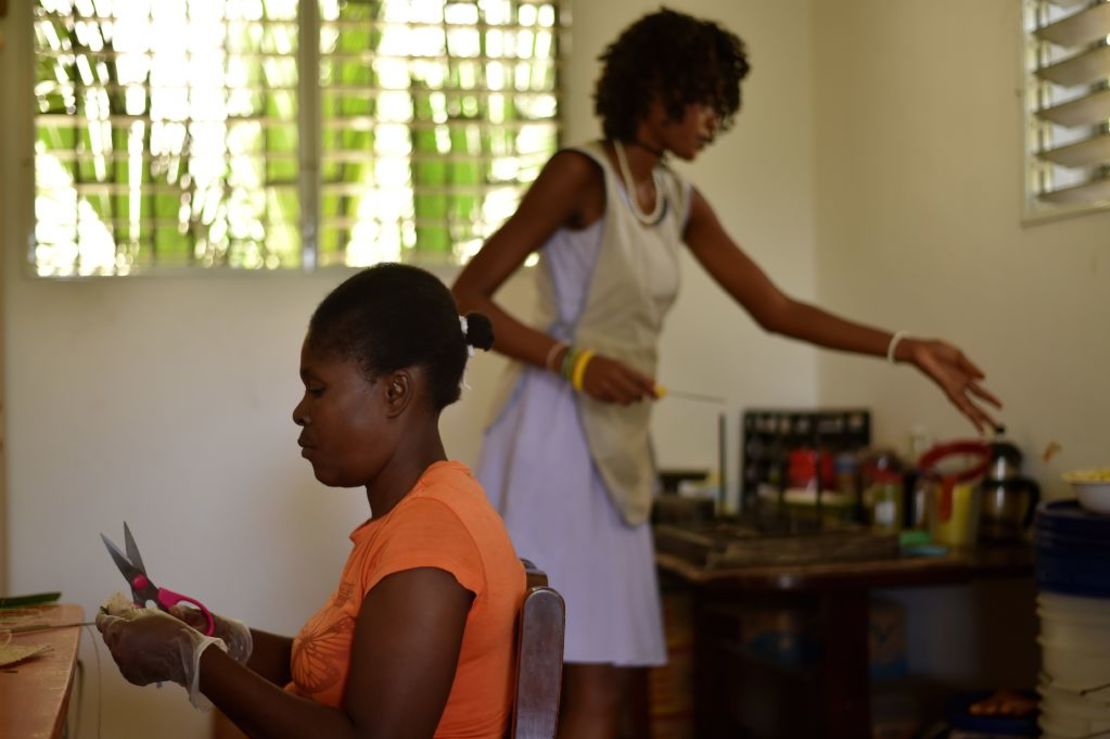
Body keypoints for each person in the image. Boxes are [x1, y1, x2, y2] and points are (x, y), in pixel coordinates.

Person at [450, 8, 1002, 738]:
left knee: (605, 678)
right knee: (544, 669)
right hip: (550, 436)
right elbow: (466, 294)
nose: (715, 119)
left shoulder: (678, 200)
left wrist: (906, 347)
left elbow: (773, 307)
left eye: (721, 102)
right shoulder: (580, 175)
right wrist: (572, 361)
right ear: (656, 88)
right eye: (706, 97)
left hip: (618, 446)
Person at [97, 263, 526, 739]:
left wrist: (193, 659)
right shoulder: (416, 517)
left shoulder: (428, 543)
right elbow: (327, 671)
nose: (300, 411)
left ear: (395, 392)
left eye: (318, 389)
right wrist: (213, 635)